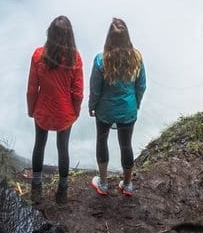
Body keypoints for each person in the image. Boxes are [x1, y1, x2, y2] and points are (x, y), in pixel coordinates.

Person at [26, 15, 83, 204]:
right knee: (63, 148)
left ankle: (36, 190)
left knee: (39, 145)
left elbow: (32, 88)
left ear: (50, 34)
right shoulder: (75, 58)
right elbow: (78, 91)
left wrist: (31, 109)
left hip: (42, 110)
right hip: (65, 113)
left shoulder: (38, 55)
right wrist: (75, 112)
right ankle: (62, 192)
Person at [89, 17, 147, 197]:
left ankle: (104, 183)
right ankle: (128, 184)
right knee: (126, 145)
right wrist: (135, 103)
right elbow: (141, 85)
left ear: (109, 38)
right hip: (127, 109)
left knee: (101, 141)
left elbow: (95, 88)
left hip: (105, 110)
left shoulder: (101, 60)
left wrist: (92, 105)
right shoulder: (136, 58)